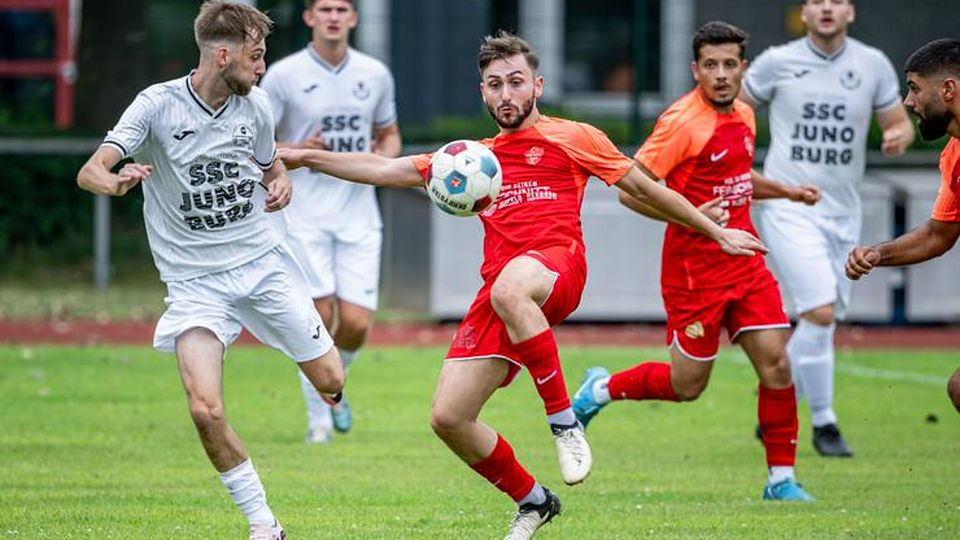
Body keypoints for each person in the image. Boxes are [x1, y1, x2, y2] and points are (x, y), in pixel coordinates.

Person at [279, 30, 766, 540]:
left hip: (558, 268)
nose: (506, 94)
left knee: (511, 288)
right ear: (483, 93)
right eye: (494, 85)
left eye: (515, 82)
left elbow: (644, 187)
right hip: (501, 290)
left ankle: (564, 422)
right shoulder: (470, 159)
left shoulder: (575, 136)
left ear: (537, 85)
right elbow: (383, 167)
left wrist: (714, 230)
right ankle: (533, 501)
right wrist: (305, 157)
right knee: (449, 417)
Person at [75, 2, 344, 538]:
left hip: (263, 265)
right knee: (204, 409)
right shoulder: (156, 107)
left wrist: (281, 180)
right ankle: (264, 525)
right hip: (196, 284)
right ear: (224, 55)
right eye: (256, 56)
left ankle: (312, 367)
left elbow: (271, 166)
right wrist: (115, 181)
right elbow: (91, 171)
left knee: (332, 381)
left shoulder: (257, 108)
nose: (262, 67)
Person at [572, 21, 818, 502]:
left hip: (746, 260)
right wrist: (695, 219)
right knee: (687, 386)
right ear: (695, 69)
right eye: (711, 65)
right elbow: (631, 193)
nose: (722, 74)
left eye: (730, 64)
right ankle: (600, 389)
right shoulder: (681, 122)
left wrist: (786, 190)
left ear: (743, 68)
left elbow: (735, 175)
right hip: (694, 272)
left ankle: (780, 479)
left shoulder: (745, 115)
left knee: (777, 366)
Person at [738, 0, 915, 457]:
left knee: (826, 317)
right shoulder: (778, 61)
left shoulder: (871, 64)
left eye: (836, 1)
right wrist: (735, 154)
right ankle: (823, 423)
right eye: (817, 1)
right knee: (818, 310)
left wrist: (899, 134)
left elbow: (897, 121)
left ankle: (777, 407)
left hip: (844, 211)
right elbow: (733, 108)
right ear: (805, 12)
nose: (827, 9)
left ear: (850, 11)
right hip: (789, 205)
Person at [259, 0, 402, 444]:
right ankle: (320, 420)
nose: (334, 16)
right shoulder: (283, 75)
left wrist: (384, 160)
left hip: (359, 214)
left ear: (354, 18)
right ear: (309, 18)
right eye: (325, 9)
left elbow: (389, 134)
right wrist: (300, 148)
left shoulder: (374, 74)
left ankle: (333, 386)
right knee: (317, 317)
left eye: (342, 8)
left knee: (357, 324)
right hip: (304, 216)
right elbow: (257, 139)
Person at [845, 38, 960, 415]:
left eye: (913, 88)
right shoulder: (954, 155)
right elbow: (937, 234)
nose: (908, 102)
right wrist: (879, 253)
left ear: (948, 90)